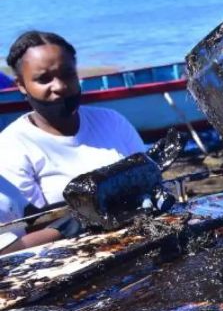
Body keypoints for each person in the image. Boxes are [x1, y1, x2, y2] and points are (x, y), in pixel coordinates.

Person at [0, 31, 145, 209]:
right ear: (21, 85)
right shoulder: (12, 147)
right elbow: (32, 223)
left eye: (67, 74)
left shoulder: (111, 121)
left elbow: (150, 179)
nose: (60, 86)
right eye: (44, 79)